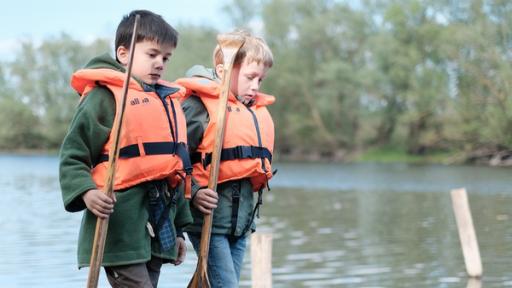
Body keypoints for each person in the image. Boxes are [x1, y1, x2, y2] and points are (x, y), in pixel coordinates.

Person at [59, 10, 193, 288]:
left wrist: (179, 229)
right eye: (152, 54)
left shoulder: (168, 104)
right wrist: (86, 192)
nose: (159, 63)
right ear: (123, 53)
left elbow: (175, 171)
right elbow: (73, 155)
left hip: (158, 226)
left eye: (165, 58)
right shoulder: (104, 97)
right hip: (119, 227)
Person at [176, 30, 276, 287]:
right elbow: (174, 161)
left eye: (260, 80)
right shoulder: (199, 107)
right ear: (223, 71)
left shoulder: (249, 111)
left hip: (240, 226)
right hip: (209, 221)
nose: (256, 86)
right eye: (250, 77)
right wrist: (195, 191)